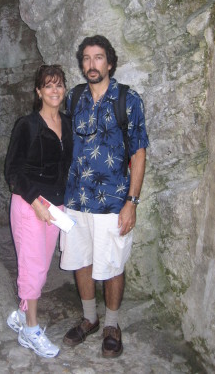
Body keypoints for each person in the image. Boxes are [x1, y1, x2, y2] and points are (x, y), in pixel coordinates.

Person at [60, 35, 149, 358]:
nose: (91, 64)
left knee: (112, 263)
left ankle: (112, 323)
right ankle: (89, 318)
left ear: (109, 63)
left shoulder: (128, 99)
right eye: (86, 58)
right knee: (80, 260)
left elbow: (138, 154)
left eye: (98, 58)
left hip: (113, 202)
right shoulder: (73, 99)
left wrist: (132, 202)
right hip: (76, 200)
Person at [4, 64, 73, 358]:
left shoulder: (67, 124)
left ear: (64, 89)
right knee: (33, 266)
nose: (54, 91)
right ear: (39, 92)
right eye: (48, 86)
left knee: (41, 267)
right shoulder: (27, 125)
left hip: (55, 206)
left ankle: (22, 313)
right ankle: (31, 330)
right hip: (29, 204)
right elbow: (12, 170)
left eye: (59, 85)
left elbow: (66, 166)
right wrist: (36, 202)